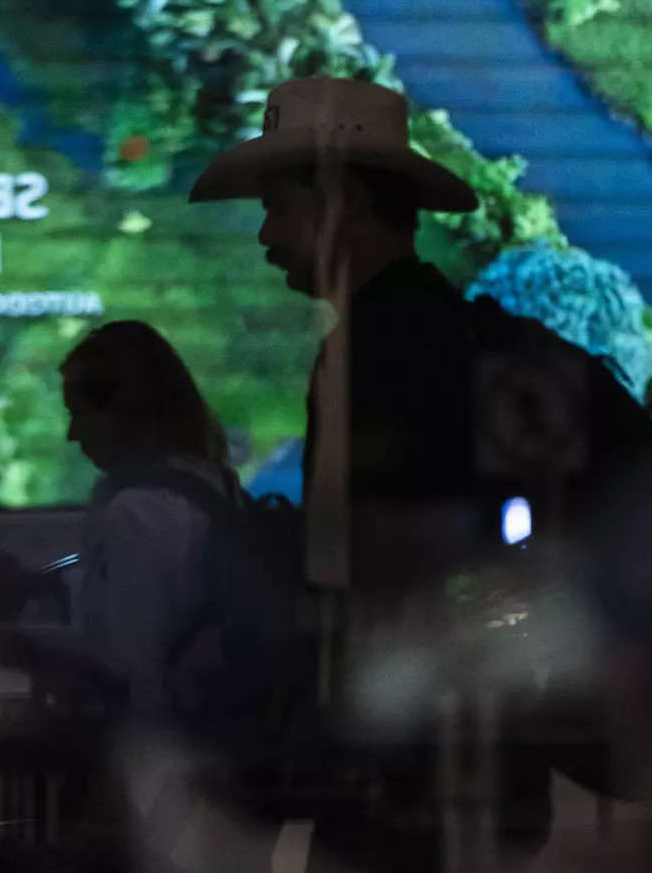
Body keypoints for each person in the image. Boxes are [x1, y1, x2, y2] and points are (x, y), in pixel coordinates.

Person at [190, 76, 485, 607]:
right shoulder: (411, 330)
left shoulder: (391, 347)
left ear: (344, 202)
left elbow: (375, 568)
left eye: (278, 207)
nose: (266, 235)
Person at [62, 321, 245, 716]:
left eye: (79, 414)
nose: (71, 434)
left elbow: (131, 672)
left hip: (168, 742)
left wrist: (20, 651)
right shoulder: (215, 484)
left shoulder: (135, 514)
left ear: (122, 414)